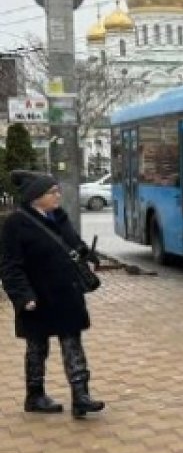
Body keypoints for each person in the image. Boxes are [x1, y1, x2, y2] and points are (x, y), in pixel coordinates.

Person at [0, 171, 105, 418]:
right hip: (37, 297)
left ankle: (81, 396)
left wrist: (86, 254)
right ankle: (35, 395)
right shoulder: (15, 224)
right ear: (35, 197)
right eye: (52, 192)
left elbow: (72, 242)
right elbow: (9, 265)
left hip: (67, 292)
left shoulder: (58, 215)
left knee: (73, 344)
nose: (58, 195)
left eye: (57, 191)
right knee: (37, 347)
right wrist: (23, 296)